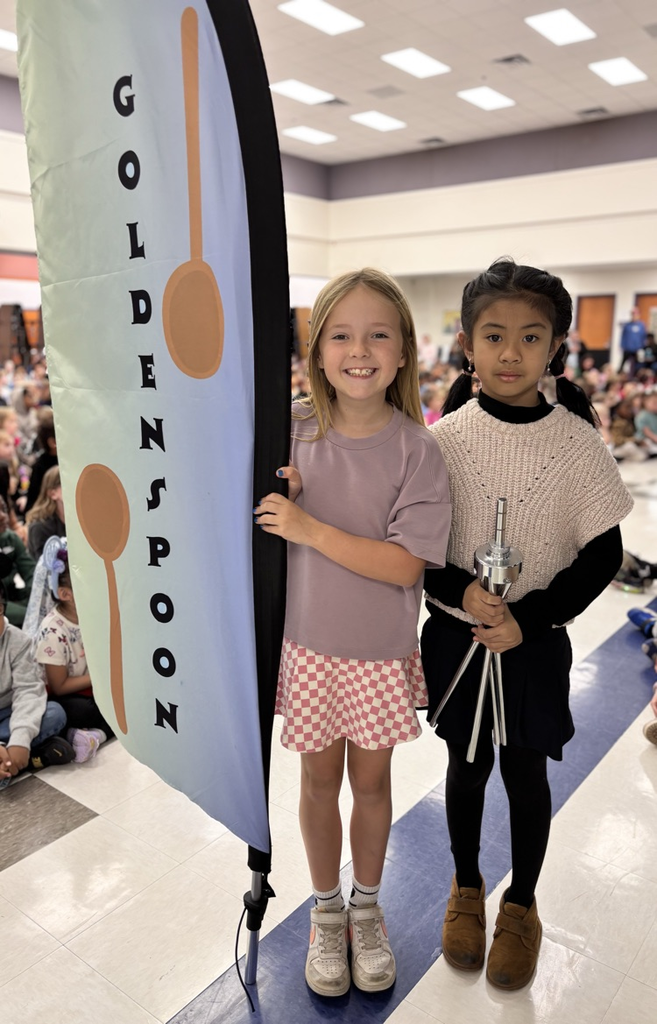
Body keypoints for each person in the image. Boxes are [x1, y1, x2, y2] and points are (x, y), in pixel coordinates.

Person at [421, 258, 633, 991]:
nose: (510, 353)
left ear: (555, 347)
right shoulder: (443, 440)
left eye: (530, 337)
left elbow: (602, 552)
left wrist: (530, 618)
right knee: (465, 767)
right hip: (456, 635)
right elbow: (415, 544)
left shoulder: (576, 445)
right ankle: (466, 887)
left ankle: (520, 905)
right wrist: (459, 590)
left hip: (533, 643)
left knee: (524, 773)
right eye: (494, 336)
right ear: (468, 345)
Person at [255, 268, 451, 997]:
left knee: (370, 785)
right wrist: (282, 496)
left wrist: (307, 524)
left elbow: (404, 568)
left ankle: (366, 909)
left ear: (403, 352)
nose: (358, 350)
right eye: (340, 334)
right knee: (315, 784)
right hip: (306, 648)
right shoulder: (293, 431)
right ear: (316, 347)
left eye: (378, 335)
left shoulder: (416, 450)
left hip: (376, 655)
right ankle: (325, 912)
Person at [34, 539, 112, 763]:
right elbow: (58, 687)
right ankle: (81, 733)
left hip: (91, 685)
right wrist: (98, 678)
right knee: (84, 710)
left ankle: (92, 735)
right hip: (67, 695)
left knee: (124, 699)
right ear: (65, 594)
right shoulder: (53, 629)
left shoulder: (91, 613)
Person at [0, 577, 74, 790]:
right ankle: (30, 757)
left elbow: (28, 691)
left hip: (9, 712)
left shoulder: (18, 641)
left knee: (54, 713)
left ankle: (11, 758)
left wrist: (20, 740)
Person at [0, 493, 35, 627]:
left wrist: (35, 599)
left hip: (13, 597)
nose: (3, 516)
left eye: (4, 508)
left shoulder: (11, 539)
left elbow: (31, 571)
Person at [26, 465, 65, 560]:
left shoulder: (84, 520)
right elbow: (46, 569)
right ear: (53, 494)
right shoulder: (40, 527)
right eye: (67, 483)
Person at [618, 307, 647, 378]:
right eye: (633, 314)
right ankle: (619, 376)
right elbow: (623, 337)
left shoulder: (641, 325)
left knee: (636, 365)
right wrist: (622, 346)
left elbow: (643, 337)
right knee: (622, 364)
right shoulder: (627, 325)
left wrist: (642, 347)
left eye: (636, 314)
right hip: (627, 348)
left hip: (637, 349)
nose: (634, 316)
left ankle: (634, 377)